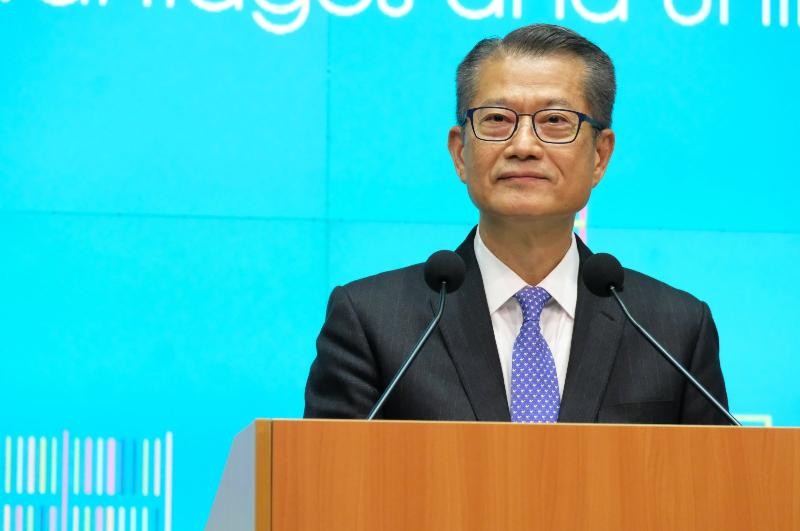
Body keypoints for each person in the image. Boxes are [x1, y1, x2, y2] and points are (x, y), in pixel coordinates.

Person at [304, 23, 729, 424]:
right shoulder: (372, 321)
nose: (523, 146)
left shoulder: (672, 330)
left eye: (555, 121)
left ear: (600, 155)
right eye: (497, 119)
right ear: (460, 152)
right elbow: (328, 473)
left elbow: (714, 474)